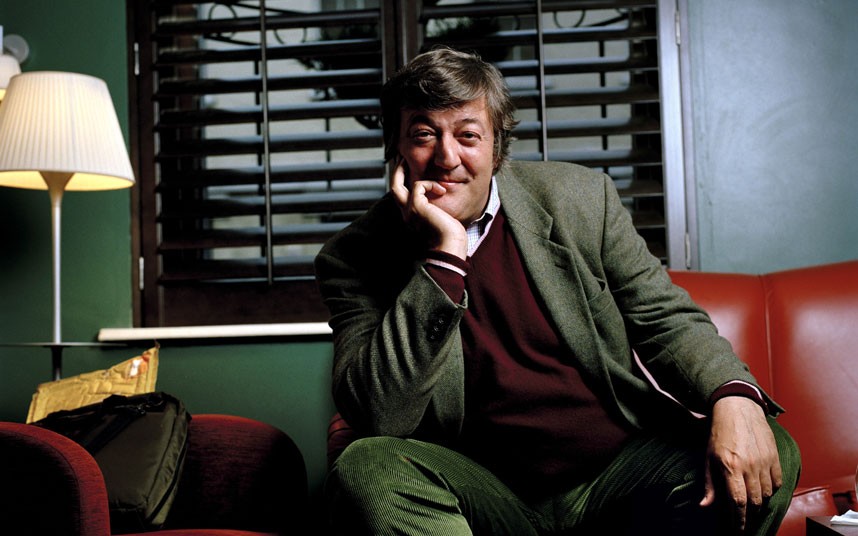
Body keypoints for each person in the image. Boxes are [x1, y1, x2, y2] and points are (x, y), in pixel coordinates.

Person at [314, 47, 799, 535]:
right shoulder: (354, 256)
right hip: (485, 495)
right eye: (424, 134)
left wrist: (732, 395)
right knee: (367, 466)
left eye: (467, 135)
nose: (446, 157)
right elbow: (379, 414)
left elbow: (665, 320)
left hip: (618, 478)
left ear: (497, 148)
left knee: (769, 449)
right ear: (396, 149)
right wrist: (444, 258)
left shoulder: (580, 200)